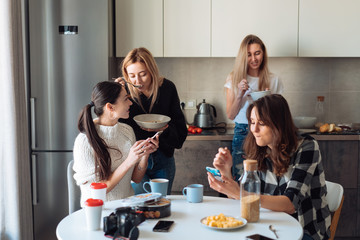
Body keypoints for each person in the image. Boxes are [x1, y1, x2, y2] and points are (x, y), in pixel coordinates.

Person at [208, 94, 331, 240]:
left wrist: (240, 194)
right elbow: (240, 197)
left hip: (305, 228)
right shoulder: (259, 148)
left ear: (279, 123)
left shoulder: (307, 146)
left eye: (261, 123)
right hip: (271, 224)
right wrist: (226, 171)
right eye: (252, 122)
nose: (254, 129)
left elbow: (290, 204)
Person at [73, 81, 159, 206]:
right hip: (100, 211)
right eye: (126, 99)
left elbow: (136, 178)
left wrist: (144, 155)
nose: (130, 103)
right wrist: (129, 160)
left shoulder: (127, 131)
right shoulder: (84, 141)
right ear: (110, 107)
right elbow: (99, 191)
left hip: (127, 207)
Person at [117, 47, 188, 195]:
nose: (137, 81)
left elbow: (181, 133)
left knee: (161, 205)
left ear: (152, 71)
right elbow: (114, 124)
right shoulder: (124, 91)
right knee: (137, 206)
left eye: (143, 74)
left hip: (163, 159)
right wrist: (115, 94)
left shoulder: (167, 88)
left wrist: (163, 130)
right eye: (132, 76)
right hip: (133, 159)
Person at [225, 34, 284, 180]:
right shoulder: (234, 79)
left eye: (257, 53)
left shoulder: (273, 80)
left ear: (263, 54)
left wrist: (269, 101)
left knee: (267, 179)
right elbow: (231, 115)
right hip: (243, 131)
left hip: (268, 134)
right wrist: (240, 94)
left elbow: (281, 113)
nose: (254, 59)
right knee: (241, 178)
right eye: (249, 54)